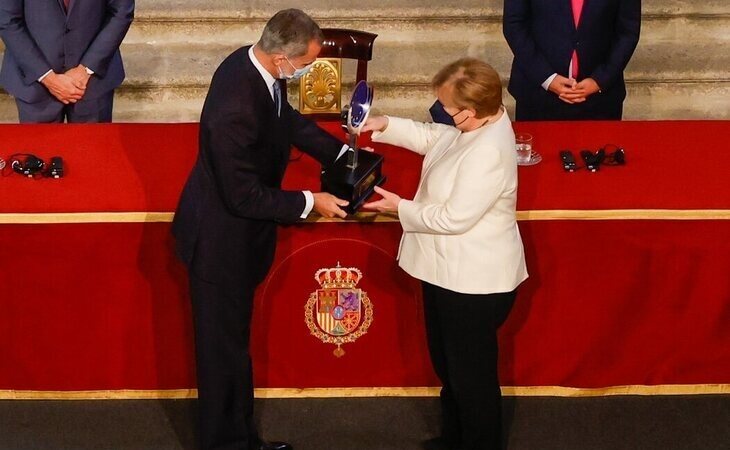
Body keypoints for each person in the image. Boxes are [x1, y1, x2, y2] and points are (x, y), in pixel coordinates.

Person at [171, 8, 350, 450]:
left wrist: (340, 157)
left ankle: (240, 437)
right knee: (222, 356)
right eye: (306, 62)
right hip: (219, 244)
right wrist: (311, 201)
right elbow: (243, 197)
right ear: (281, 58)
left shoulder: (253, 65)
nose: (310, 69)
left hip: (236, 238)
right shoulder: (234, 106)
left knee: (232, 350)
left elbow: (285, 120)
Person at [362, 58, 528, 450]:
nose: (442, 113)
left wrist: (398, 208)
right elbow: (436, 139)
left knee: (472, 379)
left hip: (473, 283)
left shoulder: (489, 152)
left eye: (447, 108)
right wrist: (384, 125)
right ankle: (455, 438)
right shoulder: (478, 123)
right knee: (450, 368)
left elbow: (453, 218)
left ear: (469, 112)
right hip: (448, 273)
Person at [503, 0, 641, 120]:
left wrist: (600, 80)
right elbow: (514, 25)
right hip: (537, 94)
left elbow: (628, 32)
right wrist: (548, 79)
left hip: (600, 99)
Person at [0, 0, 134, 123]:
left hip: (91, 81)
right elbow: (7, 20)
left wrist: (85, 69)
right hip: (34, 81)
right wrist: (47, 77)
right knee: (37, 148)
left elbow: (121, 13)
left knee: (91, 148)